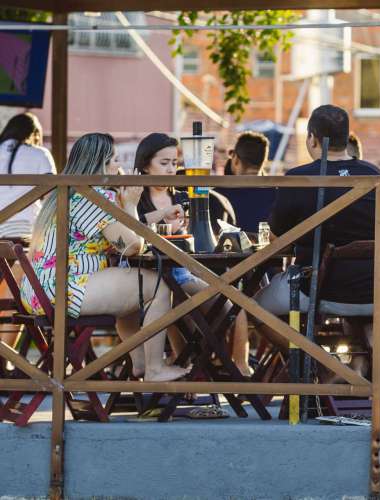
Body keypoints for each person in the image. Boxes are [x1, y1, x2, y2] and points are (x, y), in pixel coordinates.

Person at [20, 133, 188, 382]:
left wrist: (152, 211)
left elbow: (118, 232)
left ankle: (140, 363)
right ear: (100, 164)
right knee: (157, 286)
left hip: (39, 289)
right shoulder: (95, 197)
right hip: (64, 288)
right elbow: (132, 246)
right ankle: (155, 368)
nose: (119, 168)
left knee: (133, 292)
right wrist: (131, 204)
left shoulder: (71, 192)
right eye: (114, 161)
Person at [134, 133, 252, 375]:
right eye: (163, 163)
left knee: (231, 301)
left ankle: (237, 366)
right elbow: (131, 232)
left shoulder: (181, 196)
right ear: (145, 165)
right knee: (181, 303)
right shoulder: (137, 199)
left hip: (186, 268)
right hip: (151, 273)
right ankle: (187, 366)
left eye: (174, 163)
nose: (170, 170)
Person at [256, 105, 380, 315]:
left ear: (312, 139)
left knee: (250, 308)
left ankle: (302, 348)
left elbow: (276, 238)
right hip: (375, 293)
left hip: (315, 290)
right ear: (345, 139)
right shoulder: (375, 175)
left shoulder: (298, 179)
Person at [0, 113, 55, 351]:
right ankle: (6, 358)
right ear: (34, 134)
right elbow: (54, 195)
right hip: (22, 243)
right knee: (15, 299)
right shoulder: (38, 154)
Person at [215, 131, 274, 235]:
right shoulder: (276, 194)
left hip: (227, 250)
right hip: (273, 250)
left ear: (236, 160)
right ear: (263, 161)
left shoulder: (218, 195)